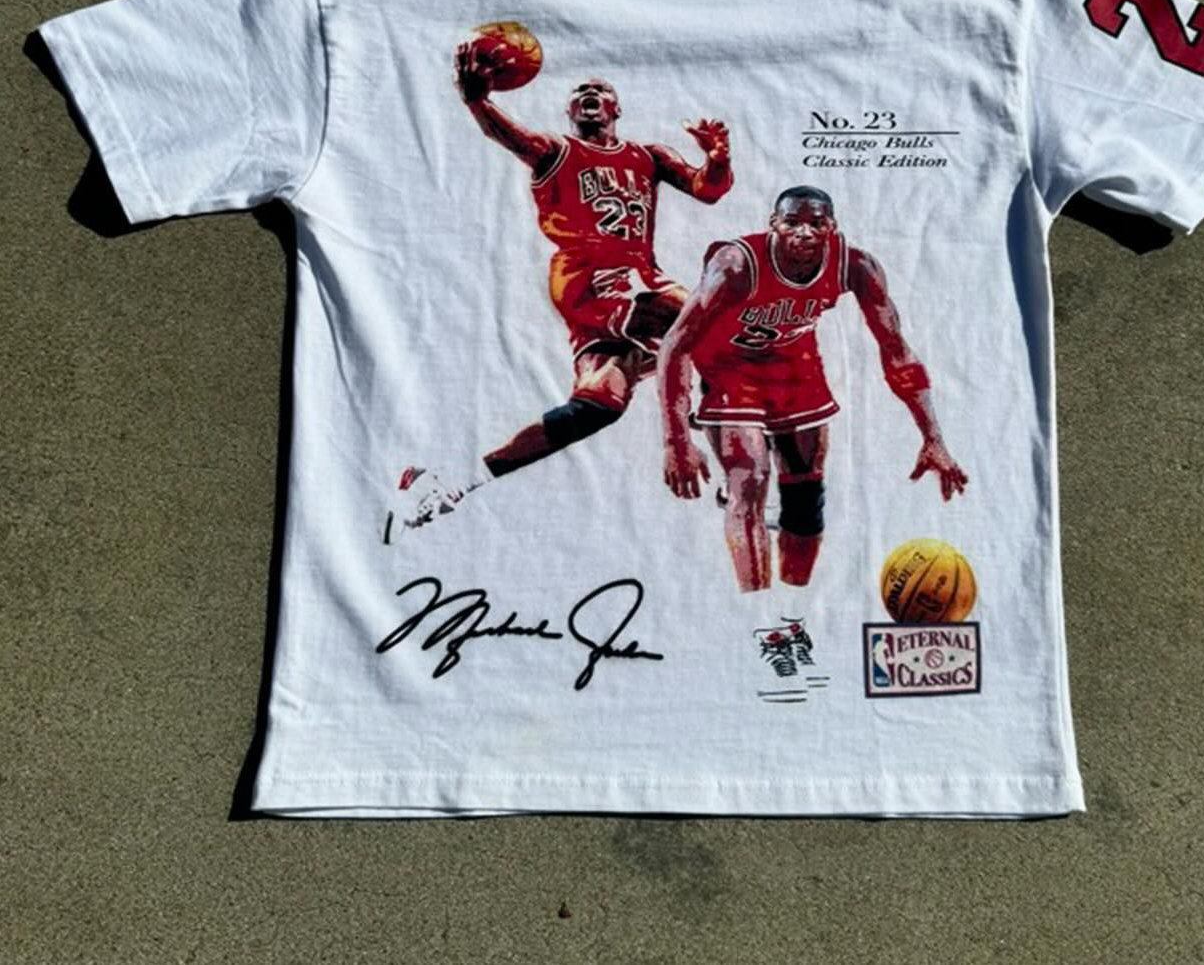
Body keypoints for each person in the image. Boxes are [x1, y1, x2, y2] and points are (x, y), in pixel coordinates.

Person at [382, 40, 733, 543]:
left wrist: (717, 158)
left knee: (599, 406)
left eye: (600, 89)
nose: (589, 93)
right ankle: (723, 441)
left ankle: (451, 480)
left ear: (616, 109)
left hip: (636, 275)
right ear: (570, 111)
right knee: (708, 317)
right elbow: (512, 137)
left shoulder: (648, 156)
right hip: (589, 275)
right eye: (580, 91)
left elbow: (708, 189)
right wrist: (477, 102)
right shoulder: (557, 150)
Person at [658, 184, 967, 593]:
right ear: (773, 224)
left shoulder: (856, 266)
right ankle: (754, 601)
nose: (803, 232)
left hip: (795, 366)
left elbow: (896, 351)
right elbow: (675, 345)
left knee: (805, 501)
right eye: (792, 222)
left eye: (816, 224)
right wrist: (676, 440)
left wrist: (933, 437)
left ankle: (795, 599)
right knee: (750, 479)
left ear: (831, 228)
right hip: (729, 367)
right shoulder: (735, 264)